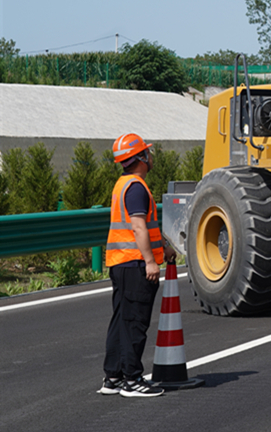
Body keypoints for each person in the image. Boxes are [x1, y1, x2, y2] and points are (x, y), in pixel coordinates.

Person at [99, 133, 175, 398]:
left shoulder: (123, 184)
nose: (151, 157)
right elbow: (138, 226)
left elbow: (146, 228)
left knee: (121, 319)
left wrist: (162, 246)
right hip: (135, 265)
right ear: (141, 157)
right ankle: (132, 380)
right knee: (135, 322)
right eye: (148, 153)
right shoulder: (137, 187)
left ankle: (114, 377)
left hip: (121, 262)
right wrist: (151, 261)